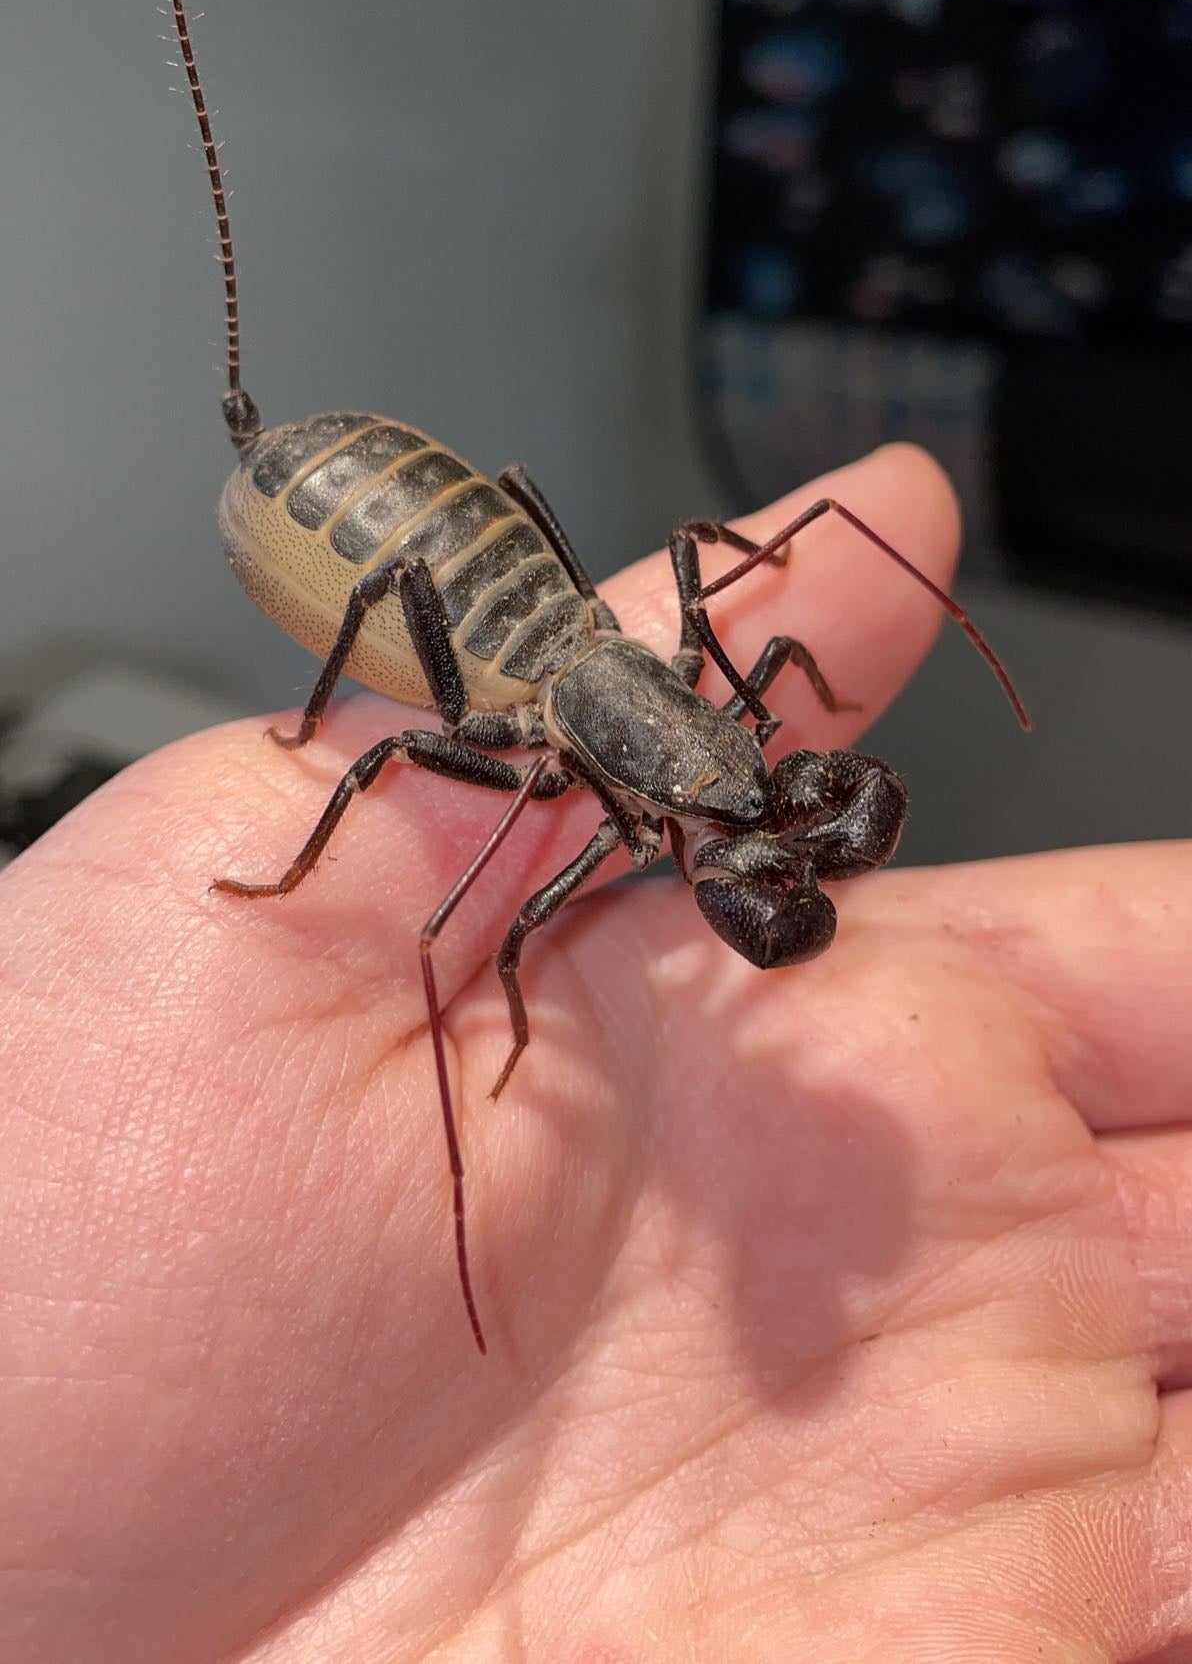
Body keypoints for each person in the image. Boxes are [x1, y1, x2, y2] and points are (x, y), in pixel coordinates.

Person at [1, 447, 1187, 1661]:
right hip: (531, 670)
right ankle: (313, 768)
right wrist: (317, 760)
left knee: (702, 665)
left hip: (591, 644)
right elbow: (505, 936)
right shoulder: (568, 771)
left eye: (767, 787)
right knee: (405, 771)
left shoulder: (722, 717)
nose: (761, 802)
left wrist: (770, 720)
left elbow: (776, 682)